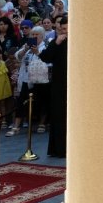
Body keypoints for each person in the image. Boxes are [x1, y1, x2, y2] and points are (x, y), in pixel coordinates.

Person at [9, 27, 50, 137]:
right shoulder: (26, 46)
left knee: (41, 101)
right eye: (32, 35)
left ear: (42, 36)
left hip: (40, 79)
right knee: (21, 101)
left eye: (36, 34)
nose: (34, 37)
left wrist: (37, 52)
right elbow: (17, 57)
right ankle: (16, 126)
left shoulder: (45, 46)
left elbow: (48, 60)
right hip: (26, 78)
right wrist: (25, 49)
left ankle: (42, 124)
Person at [39, 15, 69, 158]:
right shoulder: (56, 42)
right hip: (59, 84)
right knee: (59, 115)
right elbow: (45, 57)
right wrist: (56, 42)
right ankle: (59, 149)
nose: (66, 31)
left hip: (76, 84)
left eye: (68, 28)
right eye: (63, 29)